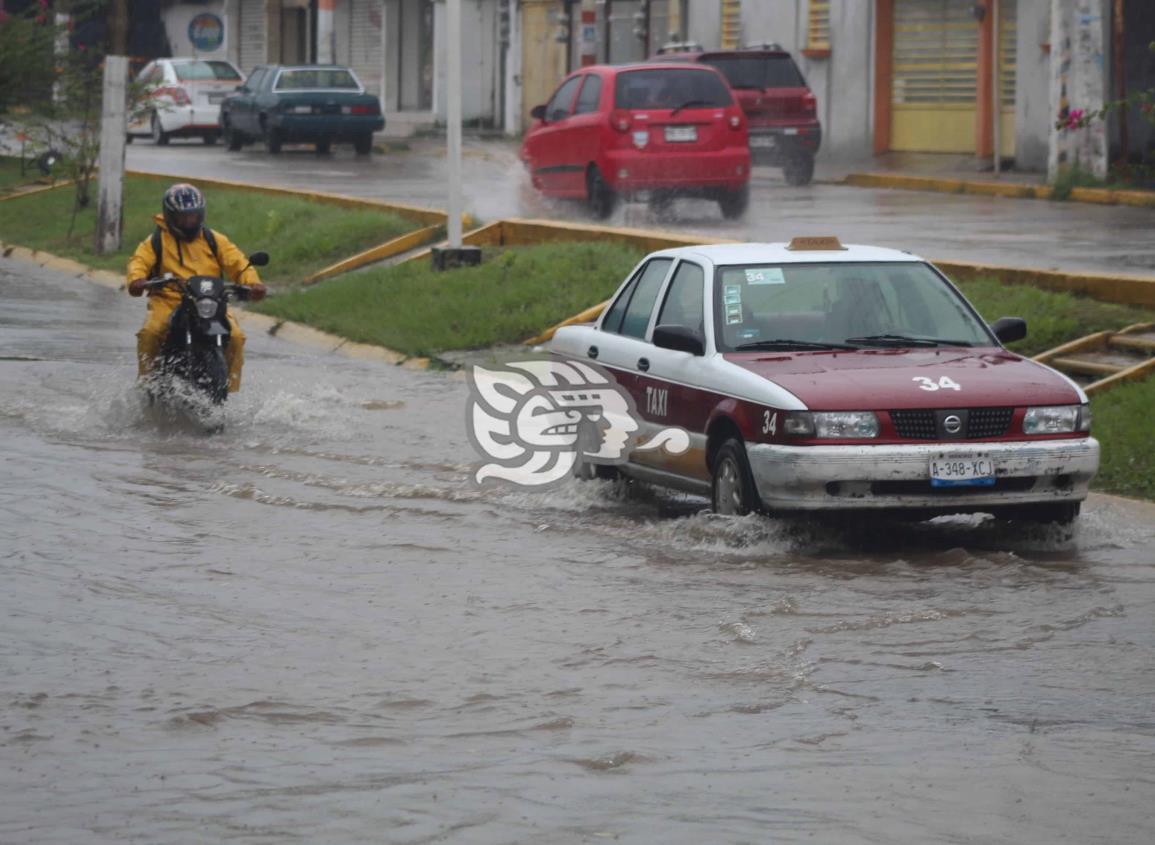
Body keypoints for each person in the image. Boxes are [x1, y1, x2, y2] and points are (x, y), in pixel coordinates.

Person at [126, 183, 266, 393]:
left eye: (193, 216)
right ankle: (147, 383)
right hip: (168, 301)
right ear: (170, 216)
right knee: (150, 333)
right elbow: (139, 262)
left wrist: (253, 283)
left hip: (210, 301)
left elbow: (238, 262)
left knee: (236, 337)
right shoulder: (155, 241)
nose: (189, 221)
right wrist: (137, 279)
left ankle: (230, 389)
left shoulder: (214, 240)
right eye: (183, 217)